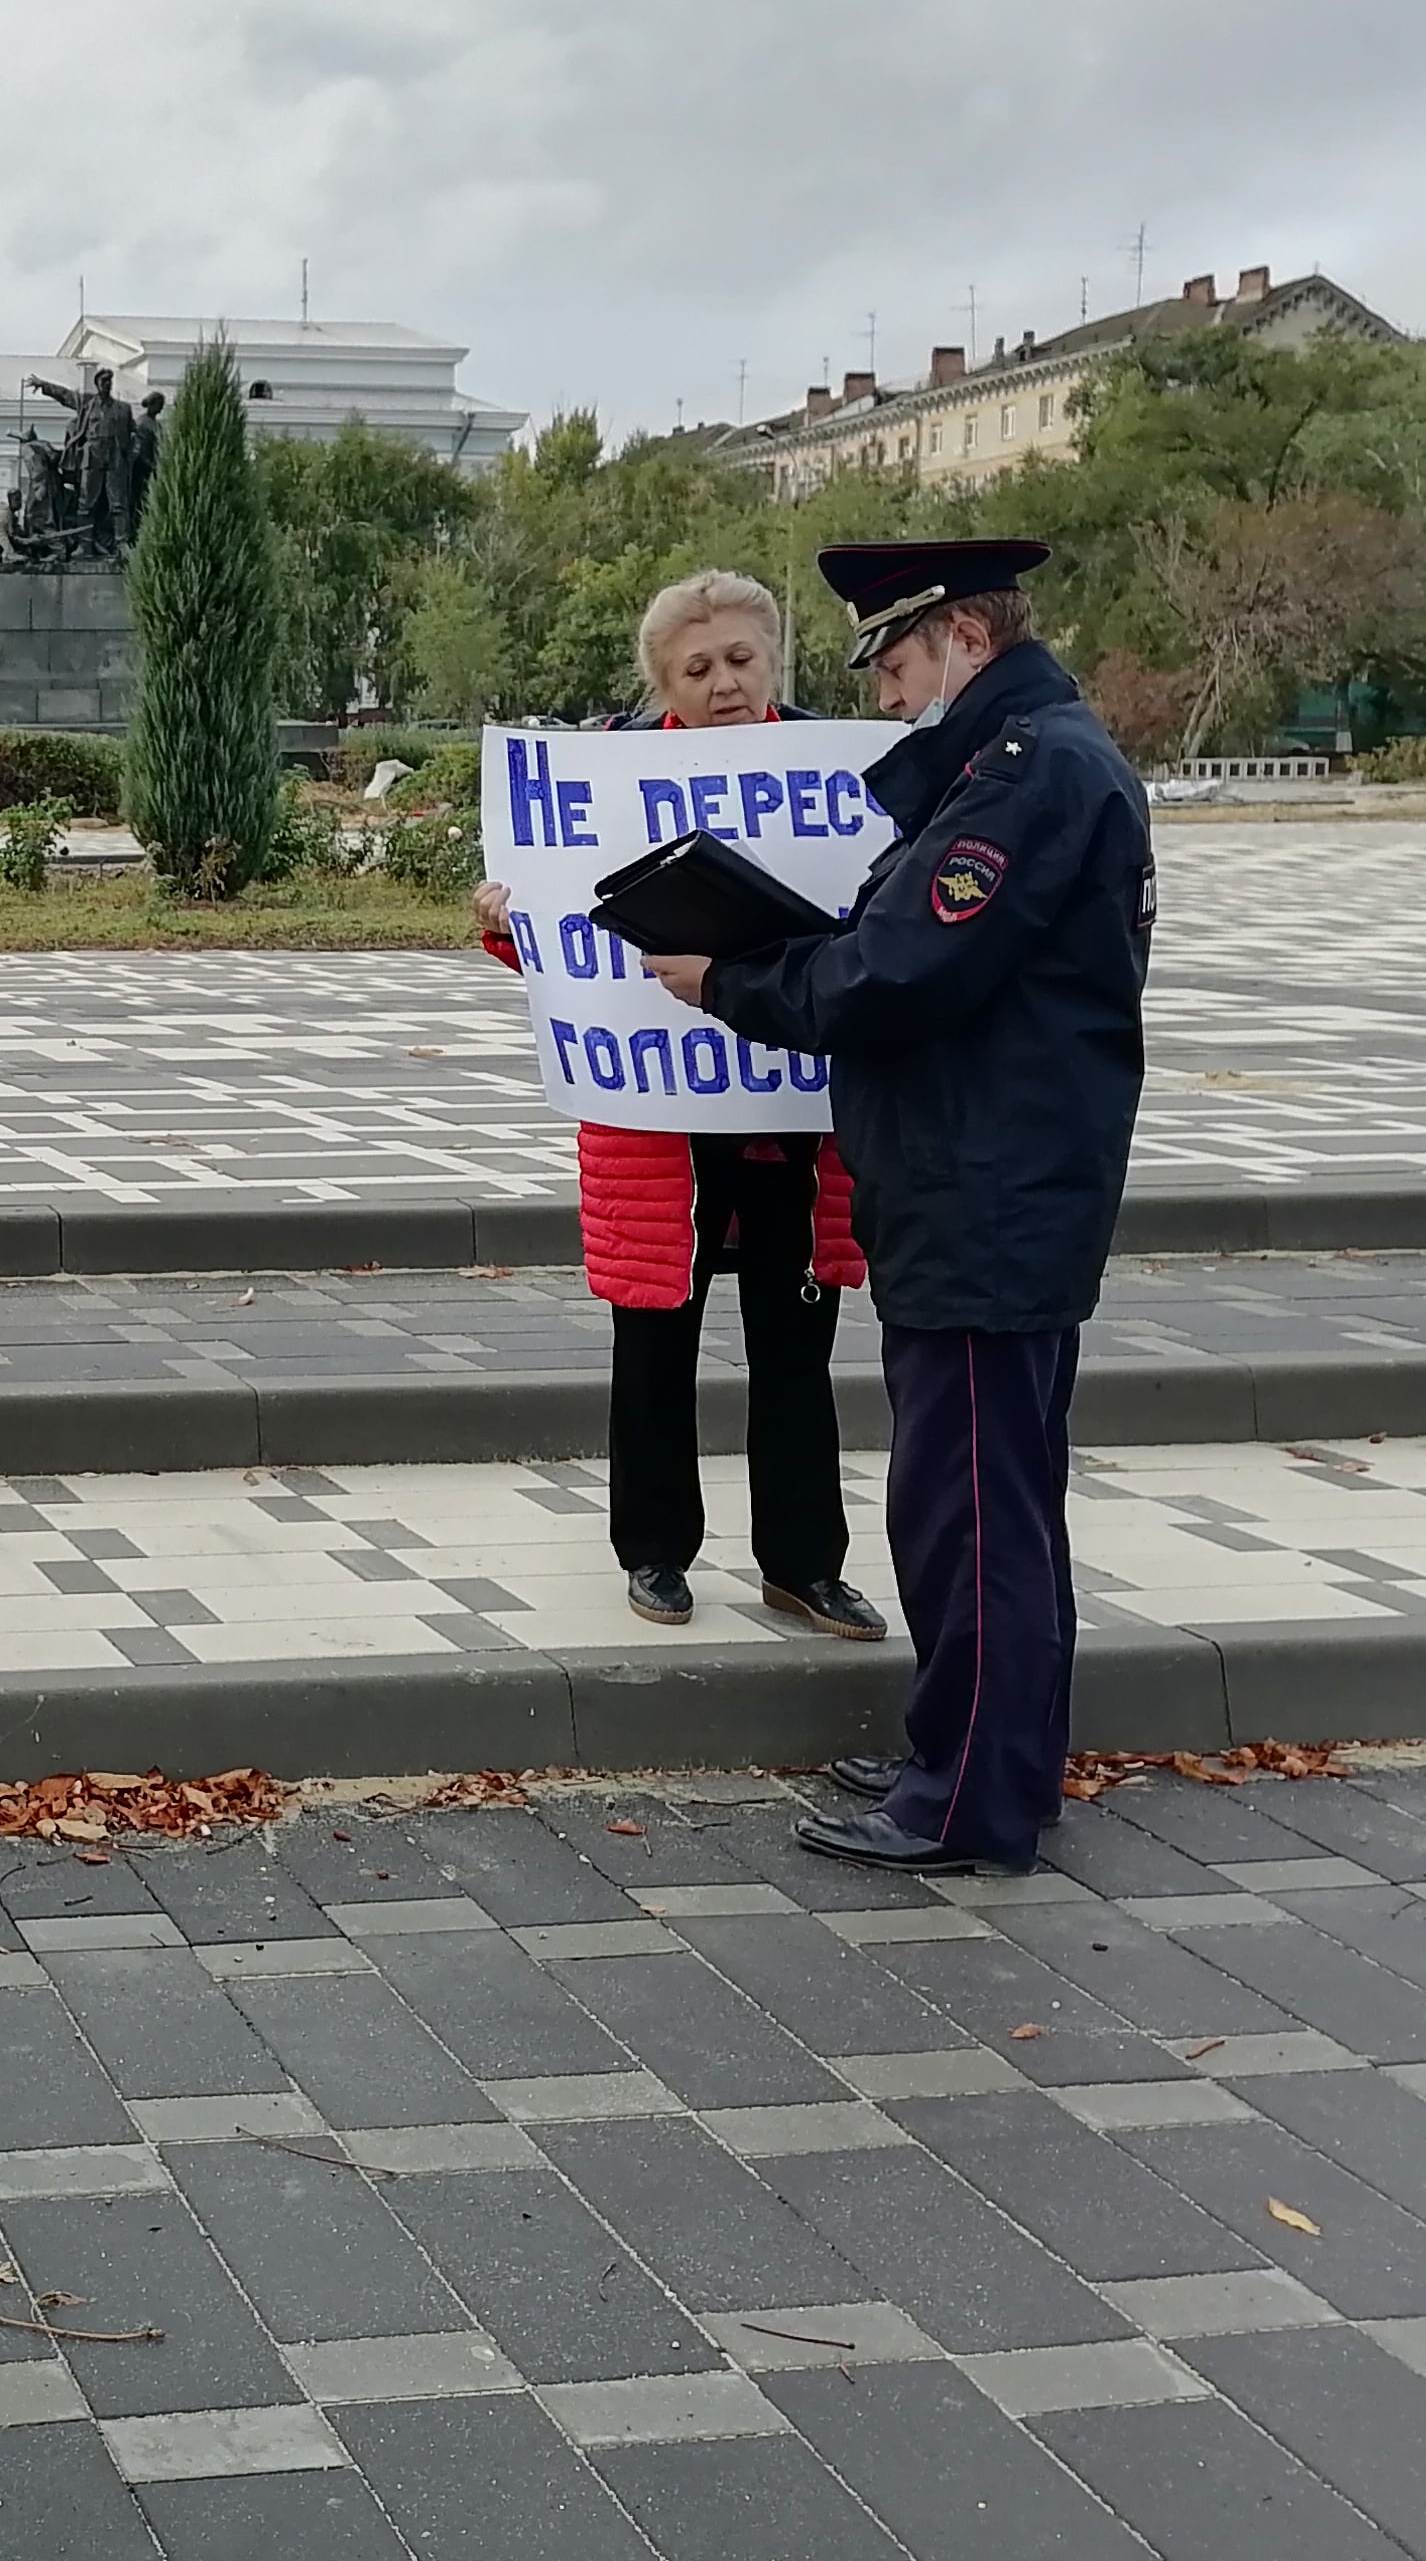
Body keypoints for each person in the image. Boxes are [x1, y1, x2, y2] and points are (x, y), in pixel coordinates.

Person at [644, 539, 1152, 1875]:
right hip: (987, 1185)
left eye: (897, 659)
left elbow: (896, 977)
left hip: (985, 1196)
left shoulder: (1026, 778)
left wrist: (730, 983)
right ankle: (982, 1751)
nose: (881, 691)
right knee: (998, 1503)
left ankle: (968, 1799)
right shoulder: (1015, 764)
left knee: (969, 1516)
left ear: (964, 639)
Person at [471, 572, 884, 1643]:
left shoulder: (831, 773)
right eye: (697, 669)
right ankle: (654, 1552)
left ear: (774, 660)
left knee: (796, 1345)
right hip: (657, 1120)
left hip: (793, 1121)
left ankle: (804, 1564)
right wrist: (514, 919)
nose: (725, 683)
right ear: (662, 681)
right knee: (654, 1341)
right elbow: (564, 954)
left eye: (742, 659)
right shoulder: (603, 774)